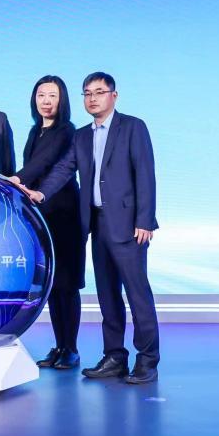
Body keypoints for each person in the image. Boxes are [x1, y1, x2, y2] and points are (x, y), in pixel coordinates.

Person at [34, 72, 160, 384]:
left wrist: (145, 220)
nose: (93, 98)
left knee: (137, 294)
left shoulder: (132, 127)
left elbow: (145, 173)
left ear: (113, 96)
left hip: (129, 226)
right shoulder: (82, 136)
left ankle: (147, 360)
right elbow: (64, 168)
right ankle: (114, 356)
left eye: (99, 92)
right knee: (107, 294)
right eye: (87, 93)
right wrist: (40, 193)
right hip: (97, 224)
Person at [10, 76, 84, 370]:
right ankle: (59, 346)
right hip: (42, 215)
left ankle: (72, 349)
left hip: (65, 213)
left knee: (68, 284)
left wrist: (16, 179)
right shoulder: (34, 131)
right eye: (41, 95)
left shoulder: (67, 131)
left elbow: (43, 163)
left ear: (62, 100)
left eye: (52, 95)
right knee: (52, 284)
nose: (46, 101)